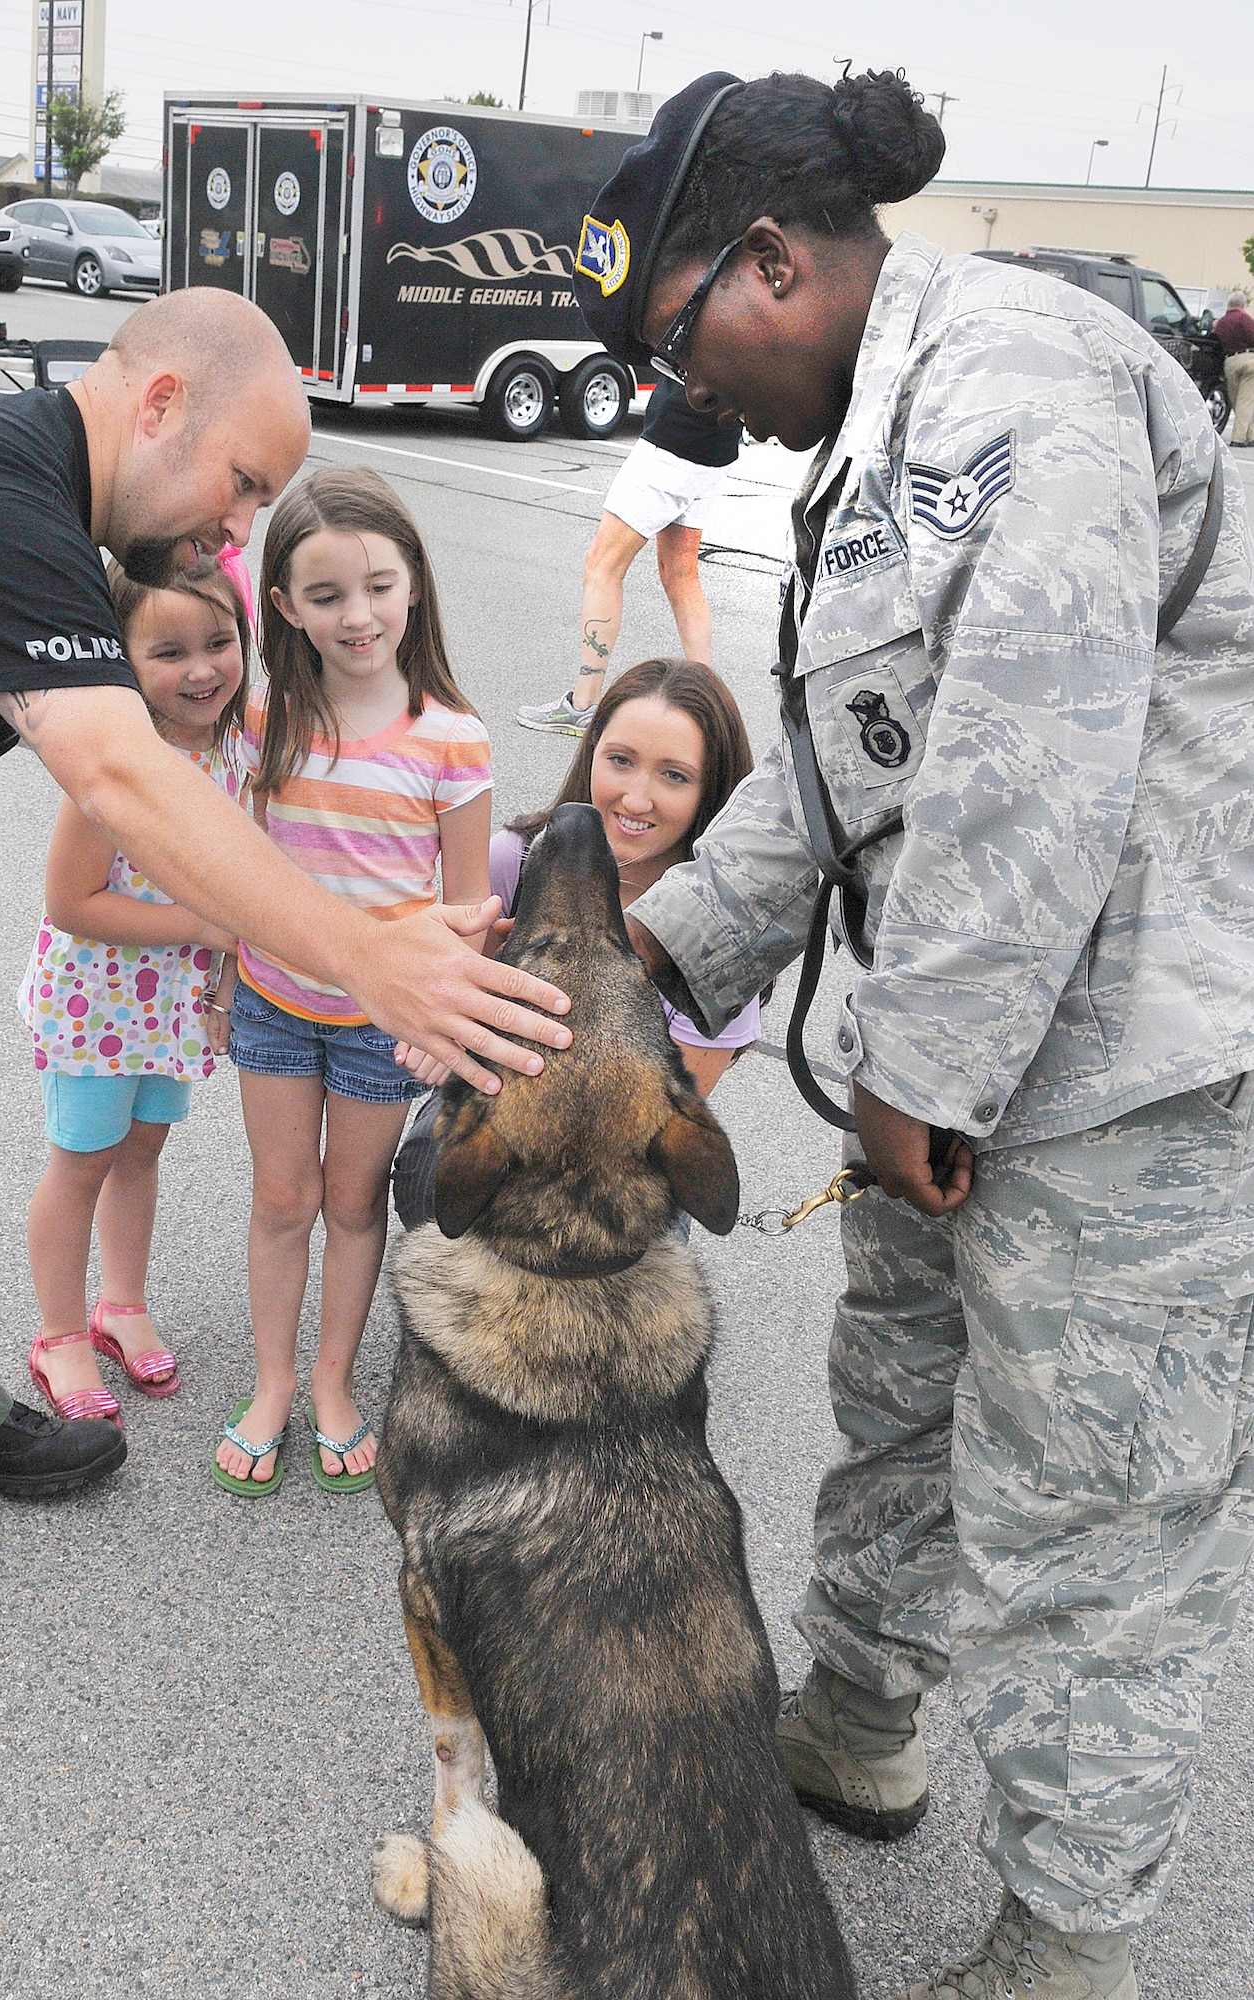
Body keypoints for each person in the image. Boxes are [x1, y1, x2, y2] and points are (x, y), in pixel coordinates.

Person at [575, 68, 1254, 2000]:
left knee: (1093, 1512)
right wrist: (645, 953)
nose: (690, 405)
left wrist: (917, 1075)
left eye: (683, 347)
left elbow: (1029, 759)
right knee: (906, 1411)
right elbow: (829, 754)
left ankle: (1068, 1947)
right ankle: (860, 1720)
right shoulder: (877, 425)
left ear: (771, 260)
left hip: (1122, 1072)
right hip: (956, 1052)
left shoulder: (1011, 388)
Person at [0, 287, 571, 1740]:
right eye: (240, 485)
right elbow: (118, 781)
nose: (235, 535)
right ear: (156, 404)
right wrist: (365, 955)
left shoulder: (38, 523)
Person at [213, 466, 491, 1498]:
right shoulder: (261, 714)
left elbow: (465, 909)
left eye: (377, 583)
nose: (357, 612)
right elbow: (241, 861)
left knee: (351, 1197)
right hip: (277, 1003)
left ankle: (335, 1377)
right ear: (281, 604)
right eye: (324, 594)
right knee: (282, 1194)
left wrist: (446, 1023)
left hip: (382, 1024)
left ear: (412, 581)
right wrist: (222, 981)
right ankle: (275, 1380)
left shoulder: (453, 735)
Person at [393, 657, 760, 1232]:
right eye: (620, 761)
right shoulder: (512, 861)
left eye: (675, 776)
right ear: (590, 753)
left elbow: (655, 1122)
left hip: (621, 1173)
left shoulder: (718, 928)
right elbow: (444, 997)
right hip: (499, 1117)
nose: (636, 799)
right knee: (428, 1167)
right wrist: (444, 1027)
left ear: (711, 791)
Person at [21, 558, 249, 1426]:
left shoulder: (240, 751)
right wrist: (202, 928)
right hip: (95, 1001)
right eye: (169, 651)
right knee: (79, 1165)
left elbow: (246, 882)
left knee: (143, 1153)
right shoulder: (113, 765)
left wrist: (222, 991)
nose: (200, 670)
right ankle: (57, 1334)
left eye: (219, 643)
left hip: (178, 1004)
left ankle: (119, 1305)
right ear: (120, 657)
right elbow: (71, 902)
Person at [516, 379, 741, 737]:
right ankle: (710, 709)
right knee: (680, 575)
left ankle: (583, 705)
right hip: (717, 442)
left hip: (673, 440)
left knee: (602, 566)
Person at [1212, 288, 1254, 447]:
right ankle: (1239, 438)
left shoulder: (1221, 322)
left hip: (1230, 362)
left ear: (1228, 304)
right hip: (1249, 360)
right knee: (1246, 401)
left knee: (1237, 400)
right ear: (1243, 304)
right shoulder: (1245, 319)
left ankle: (1250, 435)